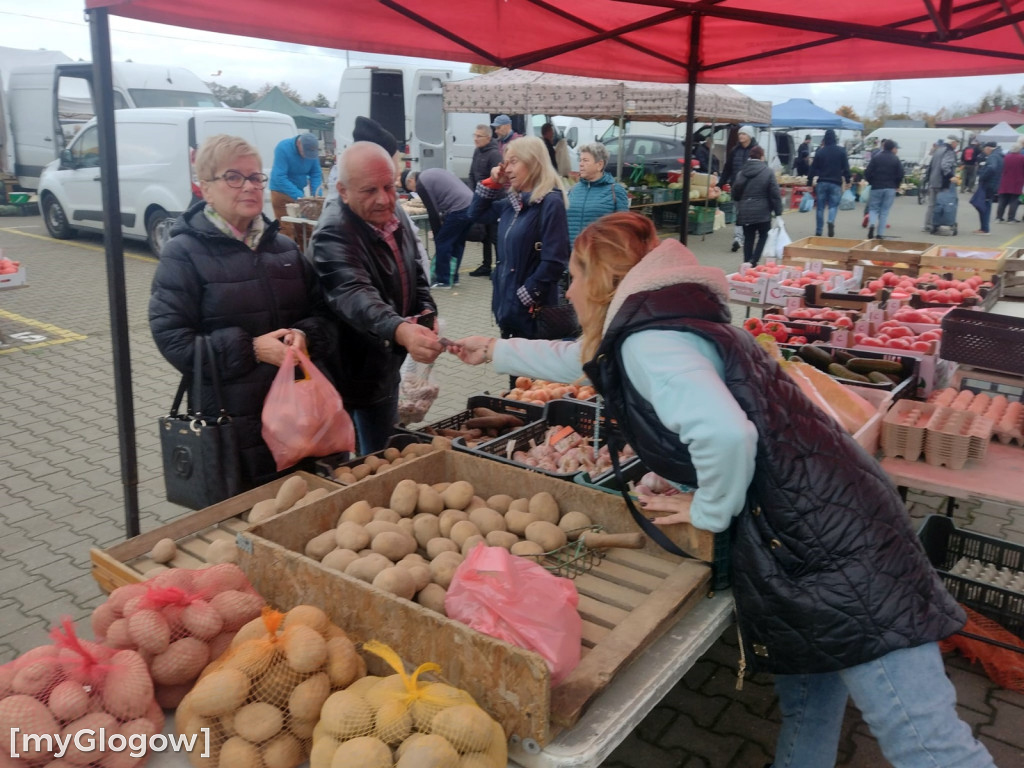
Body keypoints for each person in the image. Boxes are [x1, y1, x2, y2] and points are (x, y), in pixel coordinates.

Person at [447, 211, 997, 768]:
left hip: (840, 551)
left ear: (604, 281)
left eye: (574, 275)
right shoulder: (663, 324)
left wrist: (709, 509)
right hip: (812, 531)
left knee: (925, 743)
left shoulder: (650, 342)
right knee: (810, 703)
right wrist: (492, 351)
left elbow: (727, 435)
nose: (568, 288)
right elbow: (587, 360)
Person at [150, 134, 337, 489]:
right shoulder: (183, 253)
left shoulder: (283, 248)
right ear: (205, 187)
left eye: (255, 178)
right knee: (244, 524)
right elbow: (172, 338)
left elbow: (323, 315)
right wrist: (251, 349)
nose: (249, 187)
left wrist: (305, 336)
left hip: (297, 419)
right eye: (234, 177)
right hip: (232, 425)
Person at [309, 141, 441, 453]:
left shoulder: (393, 212)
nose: (384, 199)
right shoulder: (333, 234)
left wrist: (425, 312)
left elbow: (415, 271)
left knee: (382, 454)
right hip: (344, 370)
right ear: (343, 191)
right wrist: (401, 329)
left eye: (389, 186)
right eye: (370, 190)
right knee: (344, 465)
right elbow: (355, 295)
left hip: (382, 366)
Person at [470, 135, 569, 342]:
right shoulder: (511, 204)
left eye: (514, 162)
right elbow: (475, 214)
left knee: (531, 372)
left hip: (534, 314)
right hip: (508, 309)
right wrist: (493, 182)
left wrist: (524, 296)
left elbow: (555, 261)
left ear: (533, 162)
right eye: (506, 163)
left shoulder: (550, 203)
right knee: (515, 373)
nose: (507, 169)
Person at [402, 168, 474, 288]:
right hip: (471, 205)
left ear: (411, 180)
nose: (415, 191)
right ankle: (453, 277)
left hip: (458, 208)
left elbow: (433, 212)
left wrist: (437, 234)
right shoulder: (430, 173)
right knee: (457, 243)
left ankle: (443, 280)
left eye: (412, 189)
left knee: (443, 242)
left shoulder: (421, 183)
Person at [566, 142, 629, 246]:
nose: (581, 164)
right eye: (580, 160)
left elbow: (625, 228)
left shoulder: (615, 190)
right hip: (573, 257)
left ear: (600, 165)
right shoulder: (574, 190)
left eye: (585, 160)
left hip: (600, 258)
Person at [732, 145, 782, 267]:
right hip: (763, 212)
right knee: (764, 235)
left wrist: (742, 202)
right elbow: (775, 194)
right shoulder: (768, 172)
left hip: (746, 211)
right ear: (762, 156)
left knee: (748, 237)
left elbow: (735, 192)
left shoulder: (742, 172)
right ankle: (754, 261)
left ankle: (746, 263)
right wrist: (778, 213)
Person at [270, 133, 323, 240]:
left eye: (311, 154)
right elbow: (279, 177)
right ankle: (288, 255)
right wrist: (299, 196)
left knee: (306, 229)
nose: (307, 156)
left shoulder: (312, 153)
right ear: (299, 143)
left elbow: (316, 173)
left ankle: (307, 255)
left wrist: (317, 196)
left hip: (299, 194)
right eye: (305, 152)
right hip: (280, 193)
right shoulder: (283, 148)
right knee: (286, 230)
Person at [467, 123, 503, 277]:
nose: (475, 139)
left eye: (478, 136)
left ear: (488, 138)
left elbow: (497, 180)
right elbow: (472, 174)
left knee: (495, 236)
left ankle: (499, 266)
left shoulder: (494, 154)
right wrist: (472, 193)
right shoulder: (477, 152)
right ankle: (486, 265)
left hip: (494, 200)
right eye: (474, 135)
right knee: (485, 236)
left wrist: (489, 197)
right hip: (480, 198)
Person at [808, 128, 851, 237]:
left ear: (825, 139)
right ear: (835, 139)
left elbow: (813, 168)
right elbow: (846, 167)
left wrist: (809, 182)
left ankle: (818, 231)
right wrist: (848, 180)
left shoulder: (820, 152)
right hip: (836, 182)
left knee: (820, 207)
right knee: (833, 205)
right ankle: (831, 221)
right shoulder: (841, 151)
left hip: (822, 182)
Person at [721, 125, 758, 252]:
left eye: (744, 134)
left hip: (751, 187)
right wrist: (721, 183)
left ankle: (747, 235)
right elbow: (727, 168)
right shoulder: (734, 150)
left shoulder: (756, 150)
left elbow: (762, 169)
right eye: (740, 134)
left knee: (749, 214)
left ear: (750, 136)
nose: (741, 136)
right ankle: (737, 238)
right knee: (739, 213)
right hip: (737, 187)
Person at [864, 138, 903, 240]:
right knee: (884, 211)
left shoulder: (876, 158)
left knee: (873, 208)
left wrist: (871, 182)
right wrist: (897, 185)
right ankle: (880, 234)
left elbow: (867, 172)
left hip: (876, 186)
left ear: (883, 146)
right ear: (892, 148)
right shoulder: (896, 159)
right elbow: (900, 174)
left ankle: (872, 224)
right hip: (890, 187)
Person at [923, 135, 959, 232]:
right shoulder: (949, 151)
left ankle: (927, 224)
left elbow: (930, 166)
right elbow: (945, 166)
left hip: (933, 181)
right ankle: (937, 223)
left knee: (931, 204)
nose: (957, 145)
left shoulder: (938, 150)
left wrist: (928, 179)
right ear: (953, 142)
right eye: (957, 143)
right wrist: (951, 176)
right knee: (941, 204)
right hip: (942, 182)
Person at [973, 141, 1003, 235]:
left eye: (985, 149)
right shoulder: (999, 155)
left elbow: (991, 168)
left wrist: (982, 176)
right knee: (986, 205)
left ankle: (984, 228)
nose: (984, 151)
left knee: (983, 205)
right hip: (994, 184)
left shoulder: (993, 157)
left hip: (988, 185)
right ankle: (984, 228)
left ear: (988, 148)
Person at [995, 137, 1024, 223]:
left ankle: (998, 217)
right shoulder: (1022, 158)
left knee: (1002, 200)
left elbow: (1001, 168)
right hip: (1017, 181)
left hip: (1005, 181)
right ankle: (1011, 218)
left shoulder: (1006, 157)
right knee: (1014, 200)